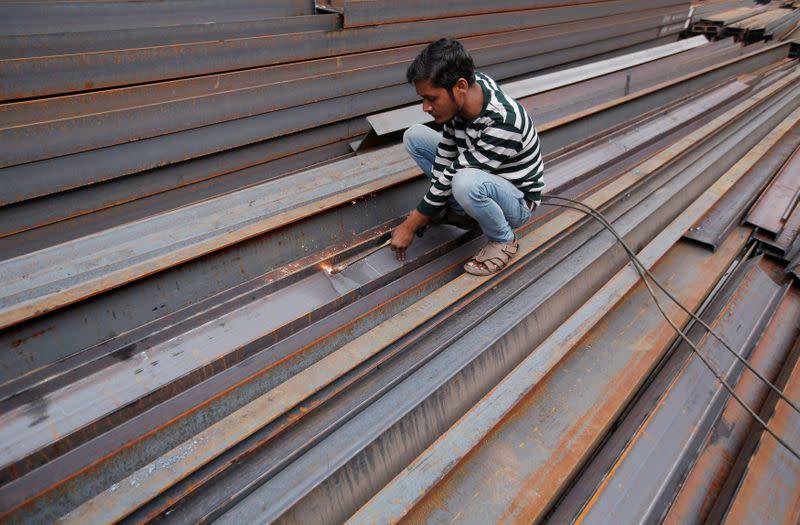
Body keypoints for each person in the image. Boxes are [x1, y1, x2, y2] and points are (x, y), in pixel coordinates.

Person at [390, 38, 545, 276]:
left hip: (515, 199)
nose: (425, 107)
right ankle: (457, 210)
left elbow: (454, 172)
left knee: (465, 182)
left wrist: (412, 224)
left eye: (431, 98)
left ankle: (503, 239)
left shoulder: (503, 122)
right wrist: (427, 212)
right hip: (481, 173)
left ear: (460, 87)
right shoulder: (467, 92)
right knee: (415, 136)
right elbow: (445, 157)